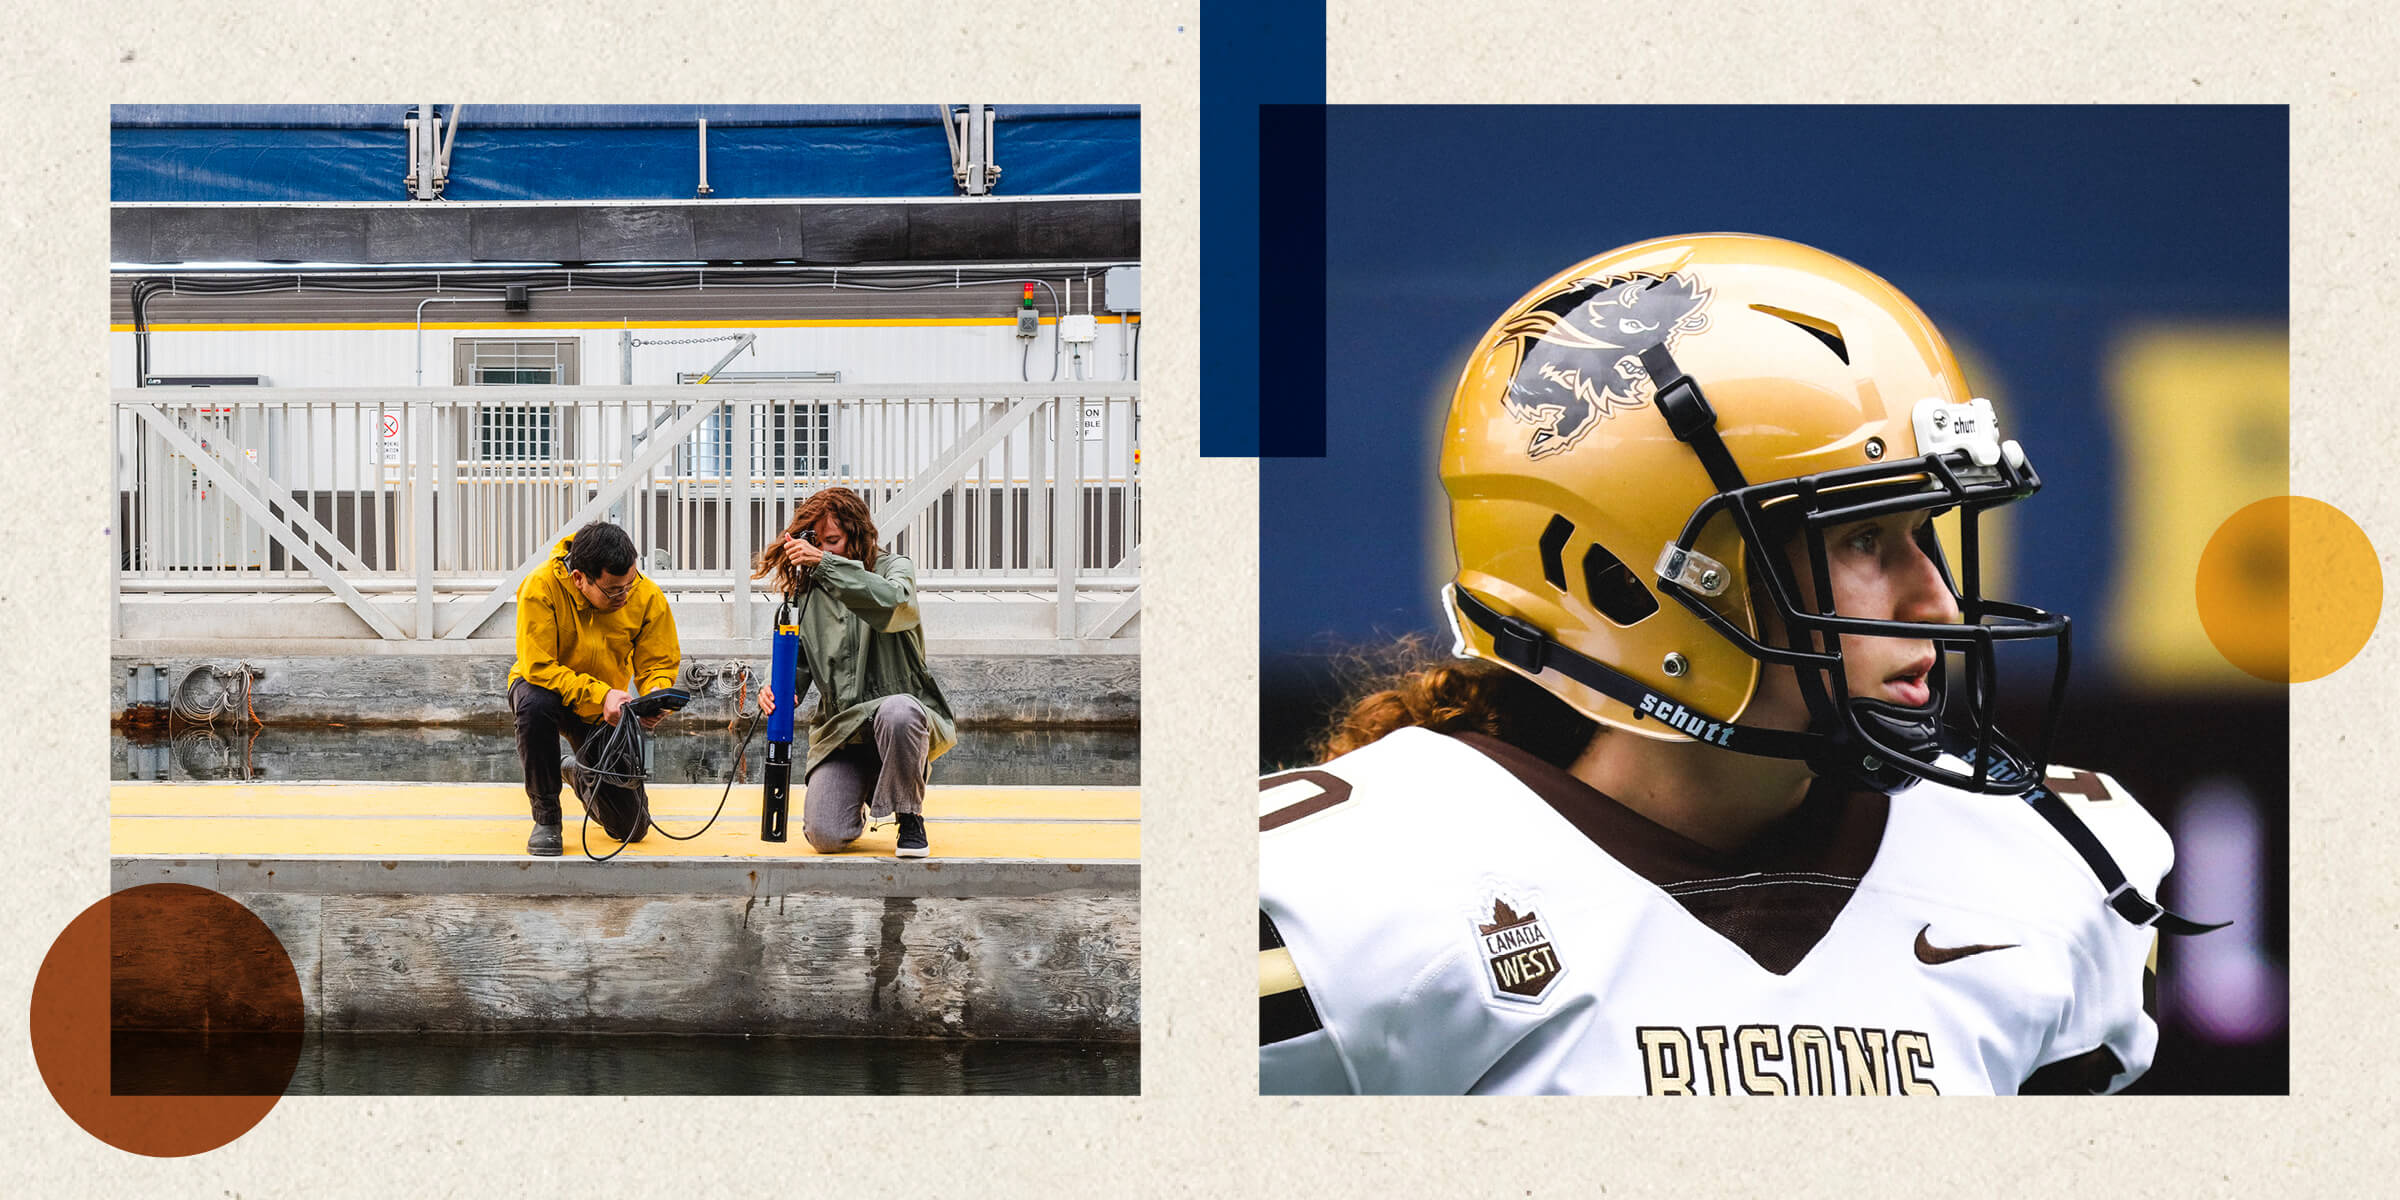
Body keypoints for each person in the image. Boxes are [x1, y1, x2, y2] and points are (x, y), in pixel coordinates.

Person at [1258, 234, 2214, 1095]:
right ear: (1620, 574)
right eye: (1864, 542)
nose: (1937, 602)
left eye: (1925, 532)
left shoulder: (2049, 871)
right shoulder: (1344, 897)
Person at [754, 486, 956, 858]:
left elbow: (894, 604)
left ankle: (909, 814)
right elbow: (795, 666)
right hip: (844, 732)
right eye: (817, 542)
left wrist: (827, 565)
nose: (824, 551)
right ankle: (867, 789)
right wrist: (771, 687)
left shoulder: (895, 569)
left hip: (897, 724)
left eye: (833, 541)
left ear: (857, 534)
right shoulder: (806, 593)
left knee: (900, 711)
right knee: (825, 836)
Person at [507, 520, 682, 857]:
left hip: (606, 708)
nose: (625, 595)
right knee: (533, 704)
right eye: (614, 590)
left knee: (631, 828)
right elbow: (539, 666)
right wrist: (601, 695)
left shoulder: (645, 595)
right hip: (548, 690)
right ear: (579, 579)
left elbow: (657, 662)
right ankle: (546, 817)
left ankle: (577, 771)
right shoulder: (539, 587)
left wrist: (654, 696)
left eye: (630, 582)